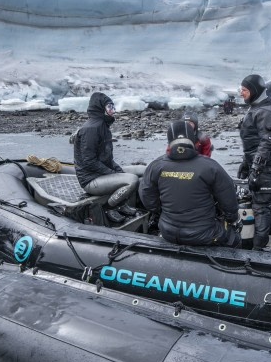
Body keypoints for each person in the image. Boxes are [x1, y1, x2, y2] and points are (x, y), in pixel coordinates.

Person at [139, 120, 240, 247]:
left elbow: (146, 195)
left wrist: (160, 211)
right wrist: (231, 219)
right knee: (234, 237)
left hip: (167, 232)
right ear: (193, 140)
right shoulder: (210, 166)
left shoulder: (156, 166)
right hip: (204, 234)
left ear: (169, 142)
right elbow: (229, 202)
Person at [73, 92, 139, 225]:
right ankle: (110, 207)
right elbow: (89, 161)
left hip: (100, 174)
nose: (112, 111)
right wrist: (113, 174)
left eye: (112, 107)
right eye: (109, 107)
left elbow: (107, 159)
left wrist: (117, 170)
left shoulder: (103, 126)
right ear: (100, 108)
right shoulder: (91, 129)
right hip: (91, 179)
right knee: (132, 180)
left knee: (141, 170)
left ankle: (121, 204)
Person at [236, 74, 271, 250]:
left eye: (245, 90)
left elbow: (266, 143)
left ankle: (259, 250)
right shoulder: (257, 107)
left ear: (255, 91)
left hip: (267, 166)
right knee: (256, 203)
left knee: (261, 206)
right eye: (240, 89)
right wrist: (246, 163)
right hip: (257, 163)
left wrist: (256, 170)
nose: (241, 93)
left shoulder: (266, 111)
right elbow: (253, 142)